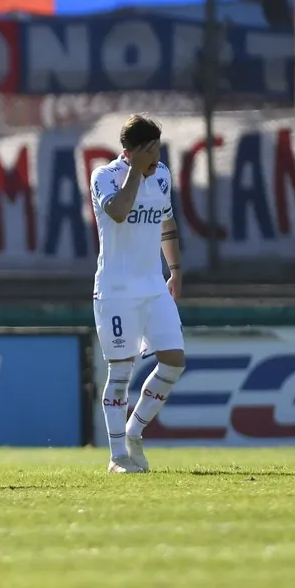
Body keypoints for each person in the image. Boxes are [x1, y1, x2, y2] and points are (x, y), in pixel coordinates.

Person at [90, 114, 185, 474]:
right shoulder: (105, 176)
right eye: (150, 149)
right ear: (131, 152)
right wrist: (135, 172)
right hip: (115, 292)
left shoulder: (161, 175)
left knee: (174, 360)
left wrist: (174, 270)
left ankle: (134, 431)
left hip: (152, 288)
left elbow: (167, 223)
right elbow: (117, 211)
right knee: (120, 374)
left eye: (158, 148)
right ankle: (117, 457)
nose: (157, 156)